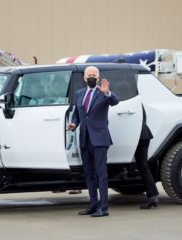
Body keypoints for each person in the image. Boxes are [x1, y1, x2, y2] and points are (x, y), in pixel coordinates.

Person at [67, 66, 119, 217]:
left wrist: (107, 92)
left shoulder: (103, 92)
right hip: (84, 138)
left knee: (101, 174)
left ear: (98, 77)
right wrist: (73, 124)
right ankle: (93, 205)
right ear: (84, 78)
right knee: (89, 174)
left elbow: (115, 101)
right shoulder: (79, 94)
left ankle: (104, 207)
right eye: (88, 75)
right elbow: (77, 114)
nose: (91, 77)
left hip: (100, 139)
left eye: (94, 75)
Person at [135, 106, 159, 209]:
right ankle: (153, 196)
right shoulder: (137, 102)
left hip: (138, 135)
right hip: (144, 133)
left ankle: (153, 197)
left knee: (143, 166)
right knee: (144, 166)